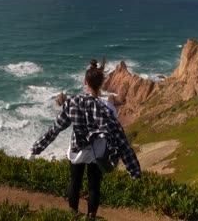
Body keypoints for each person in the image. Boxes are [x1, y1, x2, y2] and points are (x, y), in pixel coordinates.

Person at [30, 58, 141, 219]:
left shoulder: (73, 103)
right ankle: (91, 216)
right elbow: (120, 138)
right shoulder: (108, 108)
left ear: (85, 82)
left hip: (77, 151)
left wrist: (37, 148)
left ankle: (73, 214)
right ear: (102, 82)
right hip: (98, 154)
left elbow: (56, 128)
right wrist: (134, 169)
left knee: (75, 183)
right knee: (94, 187)